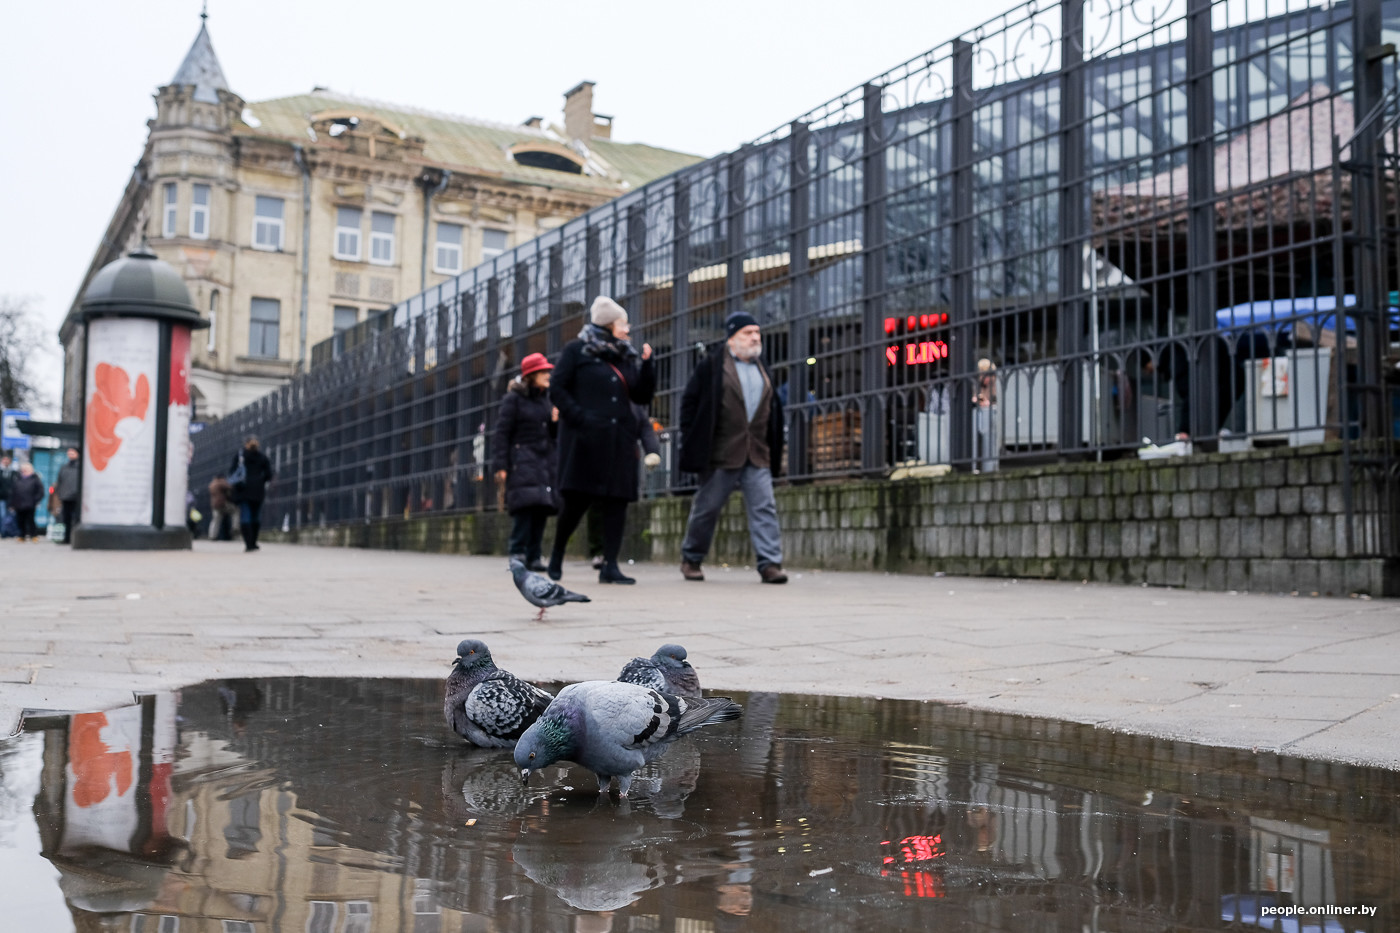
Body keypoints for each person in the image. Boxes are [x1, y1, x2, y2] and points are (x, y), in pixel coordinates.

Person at [547, 295, 655, 585]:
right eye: (623, 323)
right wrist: (579, 417)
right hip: (584, 441)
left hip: (619, 441)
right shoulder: (576, 351)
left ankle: (610, 566)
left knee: (616, 503)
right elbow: (557, 388)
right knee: (576, 503)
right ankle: (557, 554)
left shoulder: (624, 355)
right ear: (608, 324)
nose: (628, 329)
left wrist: (647, 366)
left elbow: (641, 395)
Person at [678, 312, 788, 584]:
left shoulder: (764, 368)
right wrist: (693, 438)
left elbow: (773, 409)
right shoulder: (712, 366)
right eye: (747, 333)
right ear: (731, 338)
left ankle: (769, 563)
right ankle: (692, 557)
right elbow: (689, 405)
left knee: (764, 507)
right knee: (707, 507)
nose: (754, 338)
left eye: (757, 333)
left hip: (757, 451)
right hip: (721, 451)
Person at [492, 352, 560, 572]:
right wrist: (501, 465)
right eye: (543, 371)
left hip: (544, 461)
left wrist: (555, 422)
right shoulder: (514, 399)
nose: (548, 374)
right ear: (532, 375)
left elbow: (553, 434)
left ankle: (534, 555)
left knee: (542, 508)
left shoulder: (547, 398)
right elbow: (502, 433)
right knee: (524, 509)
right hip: (521, 461)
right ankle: (517, 553)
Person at [230, 437, 273, 552]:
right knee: (256, 516)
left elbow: (232, 472)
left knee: (246, 516)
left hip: (243, 490)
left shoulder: (240, 457)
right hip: (258, 490)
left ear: (246, 444)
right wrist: (260, 480)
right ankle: (253, 542)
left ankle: (248, 543)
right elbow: (269, 474)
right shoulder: (262, 457)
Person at [8, 462, 44, 542]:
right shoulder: (17, 478)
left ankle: (33, 535)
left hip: (30, 503)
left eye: (26, 469)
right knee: (20, 520)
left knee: (30, 520)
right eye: (23, 469)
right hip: (19, 503)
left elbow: (40, 492)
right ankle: (22, 535)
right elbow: (13, 492)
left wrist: (35, 500)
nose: (24, 471)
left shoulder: (35, 479)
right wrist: (12, 504)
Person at [54, 446, 80, 544]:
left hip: (77, 497)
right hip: (66, 497)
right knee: (66, 519)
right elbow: (59, 481)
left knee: (76, 519)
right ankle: (67, 538)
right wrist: (60, 493)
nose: (70, 455)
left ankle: (76, 538)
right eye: (69, 453)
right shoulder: (64, 467)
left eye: (72, 453)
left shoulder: (80, 467)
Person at [208, 473, 235, 541]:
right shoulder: (220, 482)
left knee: (215, 520)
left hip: (214, 505)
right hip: (222, 504)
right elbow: (229, 487)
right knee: (236, 511)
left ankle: (212, 536)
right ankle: (235, 528)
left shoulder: (212, 484)